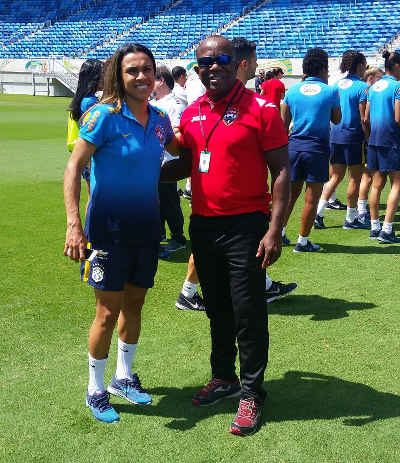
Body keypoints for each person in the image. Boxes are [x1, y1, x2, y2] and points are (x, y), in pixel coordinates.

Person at [162, 36, 290, 436]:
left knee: (248, 311)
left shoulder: (262, 109)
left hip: (246, 226)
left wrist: (274, 229)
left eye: (221, 60)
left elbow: (282, 171)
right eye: (204, 62)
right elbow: (185, 165)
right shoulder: (193, 112)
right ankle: (224, 376)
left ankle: (252, 392)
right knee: (216, 308)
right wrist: (140, 173)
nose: (212, 67)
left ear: (238, 64)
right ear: (196, 67)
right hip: (203, 224)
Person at [63, 43, 181, 423]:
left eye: (147, 69)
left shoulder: (161, 120)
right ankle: (95, 387)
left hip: (147, 230)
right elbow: (72, 169)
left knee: (135, 306)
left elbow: (183, 152)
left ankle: (123, 378)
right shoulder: (101, 117)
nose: (142, 76)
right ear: (120, 75)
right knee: (106, 312)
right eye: (133, 70)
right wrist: (73, 225)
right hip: (107, 231)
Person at [233, 36, 297, 302]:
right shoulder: (268, 98)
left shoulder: (257, 101)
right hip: (231, 203)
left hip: (243, 200)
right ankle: (188, 292)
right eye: (255, 60)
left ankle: (265, 284)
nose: (257, 65)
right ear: (245, 63)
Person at [281, 48, 341, 253]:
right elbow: (337, 119)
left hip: (294, 147)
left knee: (290, 194)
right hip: (317, 148)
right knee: (311, 197)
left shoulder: (292, 91)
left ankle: (279, 233)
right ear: (323, 68)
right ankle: (302, 241)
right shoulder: (330, 91)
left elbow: (283, 124)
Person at [315, 50, 369, 230]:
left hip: (335, 135)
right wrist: (368, 137)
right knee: (355, 179)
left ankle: (318, 213)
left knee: (335, 177)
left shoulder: (336, 84)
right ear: (360, 65)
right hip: (354, 137)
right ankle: (351, 218)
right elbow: (364, 118)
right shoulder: (361, 87)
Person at [365, 50, 400, 243]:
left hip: (375, 141)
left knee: (377, 184)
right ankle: (387, 230)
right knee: (397, 183)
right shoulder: (398, 86)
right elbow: (398, 117)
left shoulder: (375, 86)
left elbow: (366, 117)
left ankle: (374, 227)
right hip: (392, 140)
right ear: (397, 66)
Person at [151, 66, 187, 254]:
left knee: (169, 200)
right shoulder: (157, 102)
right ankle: (160, 234)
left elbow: (176, 132)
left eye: (153, 79)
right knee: (157, 199)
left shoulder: (174, 104)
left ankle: (178, 237)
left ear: (162, 80)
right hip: (153, 161)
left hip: (167, 161)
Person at [68, 59, 104, 196]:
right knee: (95, 195)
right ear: (94, 77)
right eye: (102, 74)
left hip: (84, 153)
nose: (105, 78)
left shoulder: (81, 99)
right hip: (91, 155)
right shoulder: (90, 102)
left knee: (92, 194)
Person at [357, 66, 385, 218]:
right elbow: (365, 119)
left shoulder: (371, 92)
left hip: (371, 138)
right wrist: (368, 136)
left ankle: (361, 209)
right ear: (371, 78)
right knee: (368, 175)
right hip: (370, 139)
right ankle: (361, 210)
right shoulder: (368, 91)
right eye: (379, 77)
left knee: (369, 176)